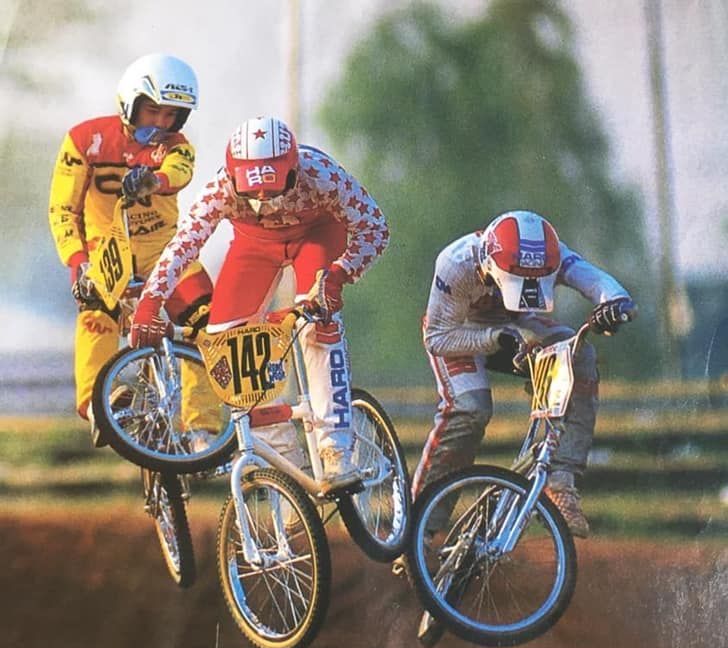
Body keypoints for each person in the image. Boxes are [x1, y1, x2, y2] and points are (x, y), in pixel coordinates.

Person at [129, 115, 390, 489]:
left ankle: (335, 447)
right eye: (252, 190)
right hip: (256, 246)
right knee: (225, 339)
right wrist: (151, 300)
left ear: (294, 168)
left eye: (273, 186)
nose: (263, 198)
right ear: (234, 177)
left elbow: (375, 227)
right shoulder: (220, 188)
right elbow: (185, 243)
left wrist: (339, 274)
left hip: (317, 233)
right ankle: (281, 458)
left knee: (316, 319)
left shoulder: (322, 174)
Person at [411, 209, 635, 538]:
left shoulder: (553, 253)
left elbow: (596, 280)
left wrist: (616, 303)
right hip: (457, 333)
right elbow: (437, 339)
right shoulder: (455, 262)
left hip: (517, 329)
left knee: (580, 354)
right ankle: (423, 526)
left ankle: (561, 480)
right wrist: (494, 339)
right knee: (471, 410)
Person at [48, 53, 215, 443]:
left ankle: (203, 426)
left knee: (207, 320)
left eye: (171, 115)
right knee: (96, 315)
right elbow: (62, 208)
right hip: (106, 251)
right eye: (152, 111)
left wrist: (154, 181)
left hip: (166, 252)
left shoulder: (178, 146)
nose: (160, 123)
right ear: (130, 102)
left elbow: (180, 171)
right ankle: (98, 407)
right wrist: (77, 262)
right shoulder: (82, 139)